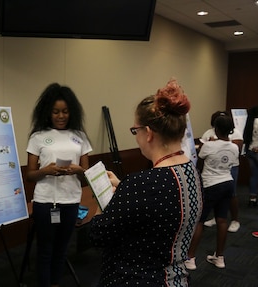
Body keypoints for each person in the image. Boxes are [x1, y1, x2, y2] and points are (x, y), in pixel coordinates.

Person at [88, 79, 202, 286]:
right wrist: (124, 188)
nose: (136, 137)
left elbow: (98, 235)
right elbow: (161, 203)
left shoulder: (141, 184)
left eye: (135, 130)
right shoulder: (191, 171)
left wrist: (101, 199)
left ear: (148, 133)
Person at [26, 83, 92, 287]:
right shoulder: (37, 137)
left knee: (62, 249)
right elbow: (30, 175)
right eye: (56, 112)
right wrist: (46, 171)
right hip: (45, 202)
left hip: (71, 201)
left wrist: (78, 170)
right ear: (48, 112)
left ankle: (55, 283)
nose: (61, 116)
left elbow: (86, 176)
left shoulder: (80, 137)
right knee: (45, 250)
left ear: (71, 112)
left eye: (64, 111)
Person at [186, 114, 239, 269]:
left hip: (210, 185)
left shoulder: (209, 145)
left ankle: (190, 258)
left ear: (215, 129)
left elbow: (200, 162)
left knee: (200, 221)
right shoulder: (235, 147)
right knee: (222, 220)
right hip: (227, 183)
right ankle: (219, 257)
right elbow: (233, 164)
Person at [201, 111, 243, 232]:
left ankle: (235, 220)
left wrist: (217, 143)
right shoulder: (209, 132)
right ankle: (216, 217)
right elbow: (203, 149)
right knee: (218, 200)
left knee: (232, 194)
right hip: (212, 169)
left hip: (230, 167)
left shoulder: (236, 133)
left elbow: (238, 147)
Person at [243, 106, 258, 208]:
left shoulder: (251, 117)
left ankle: (252, 199)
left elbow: (246, 134)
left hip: (251, 149)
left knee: (254, 175)